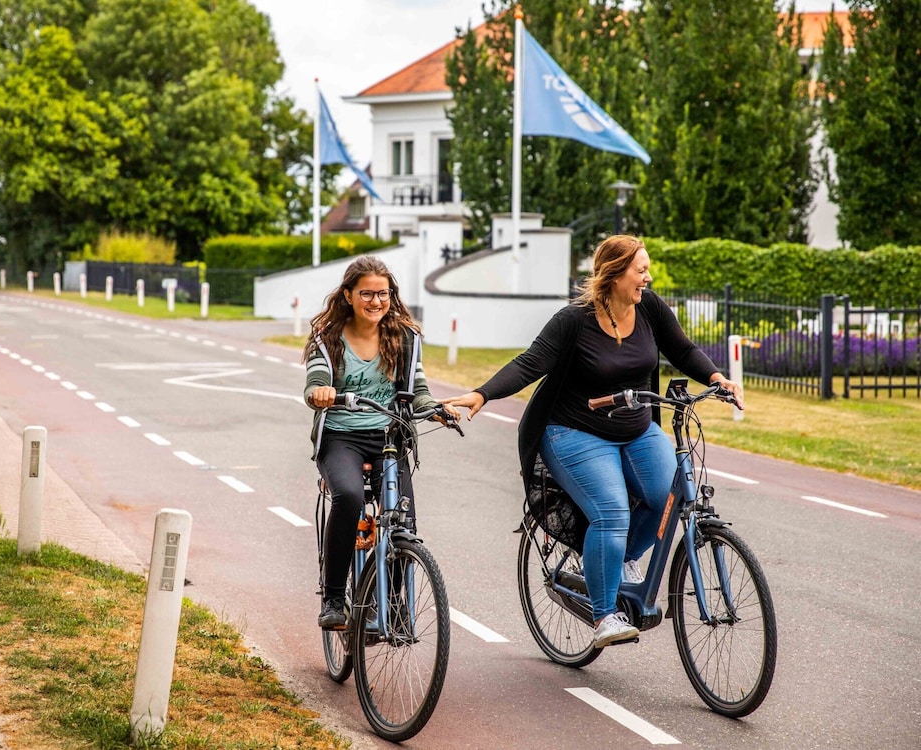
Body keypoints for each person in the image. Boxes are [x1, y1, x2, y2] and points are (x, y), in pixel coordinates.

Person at [442, 235, 743, 648]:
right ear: (615, 274)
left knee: (669, 496)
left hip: (636, 429)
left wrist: (717, 378)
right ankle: (604, 616)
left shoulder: (649, 308)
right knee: (612, 511)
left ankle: (617, 560)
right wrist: (482, 394)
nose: (648, 278)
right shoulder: (574, 320)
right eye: (641, 270)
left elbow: (683, 349)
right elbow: (530, 363)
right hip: (573, 431)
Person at [303, 255, 460, 630]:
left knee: (404, 518)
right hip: (341, 437)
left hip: (389, 438)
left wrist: (434, 409)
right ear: (348, 295)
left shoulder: (405, 338)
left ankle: (394, 605)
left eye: (383, 294)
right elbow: (314, 382)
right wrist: (321, 392)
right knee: (349, 497)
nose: (376, 301)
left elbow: (417, 390)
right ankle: (334, 599)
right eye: (367, 294)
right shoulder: (327, 339)